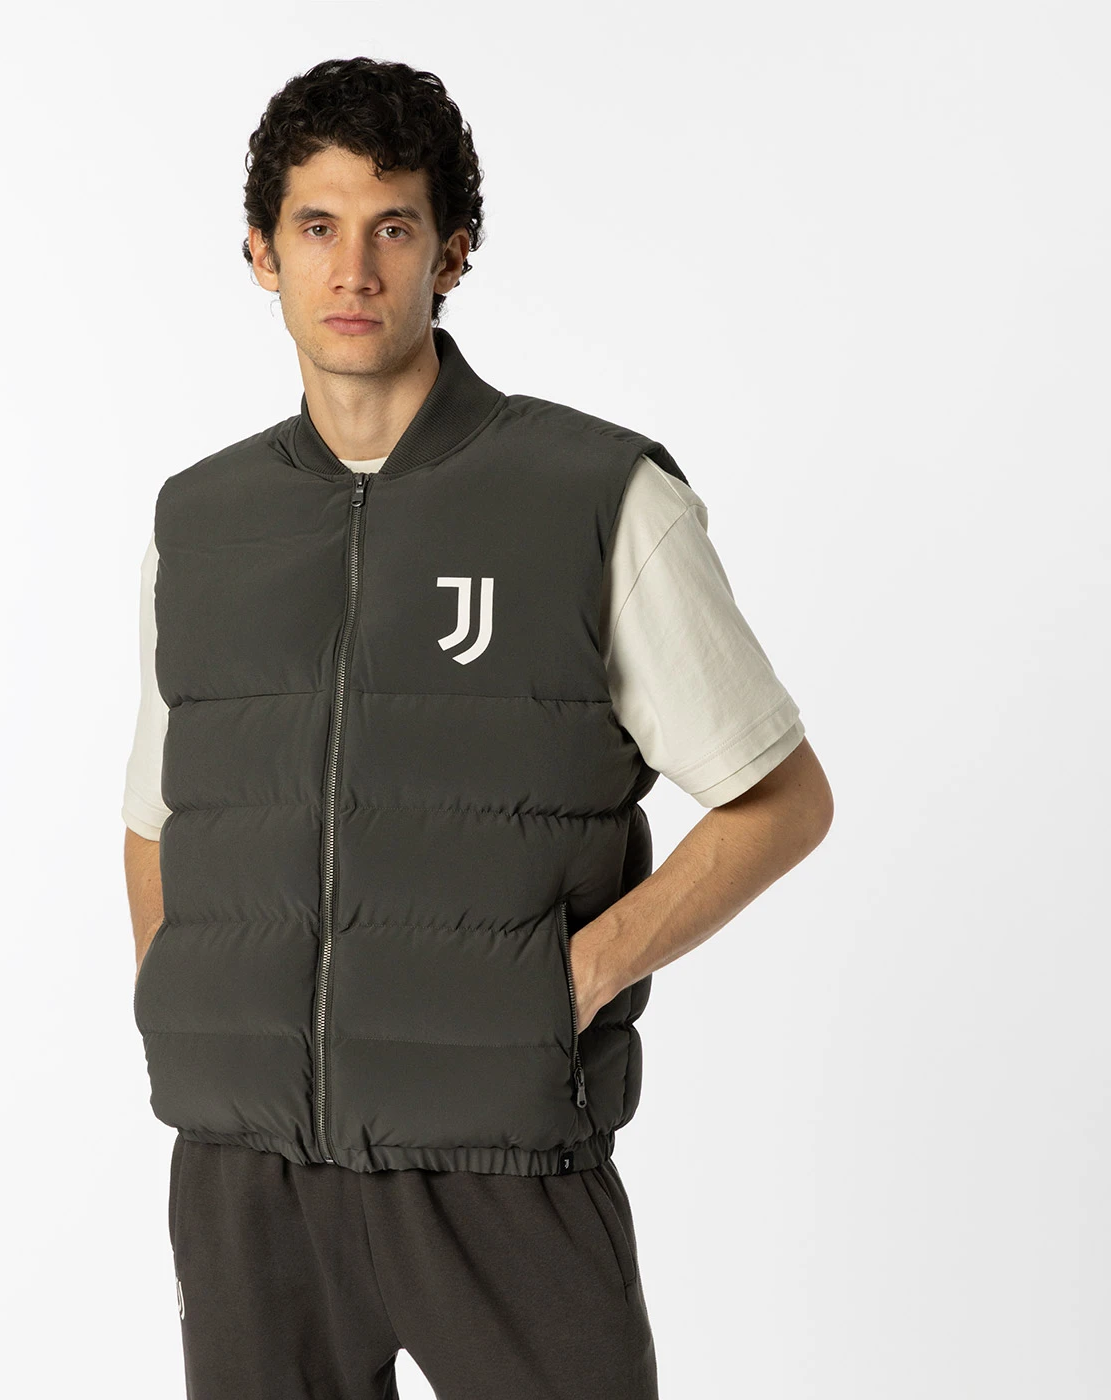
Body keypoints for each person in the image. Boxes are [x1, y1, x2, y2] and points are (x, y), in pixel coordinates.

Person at [121, 56, 833, 1400]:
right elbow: (160, 816)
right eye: (317, 228)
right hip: (248, 1182)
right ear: (261, 254)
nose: (354, 270)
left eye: (393, 227)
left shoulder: (593, 498)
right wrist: (193, 1011)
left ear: (452, 254)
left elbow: (780, 799)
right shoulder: (201, 524)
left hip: (502, 1169)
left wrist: (570, 982)